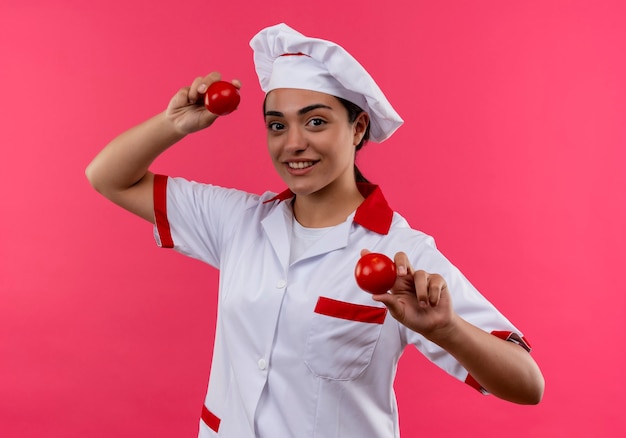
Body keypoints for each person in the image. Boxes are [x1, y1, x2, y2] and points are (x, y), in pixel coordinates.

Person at [86, 23, 544, 438]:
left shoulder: (401, 253)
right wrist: (176, 124)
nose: (293, 143)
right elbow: (107, 176)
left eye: (316, 121)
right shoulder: (239, 222)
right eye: (276, 125)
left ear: (358, 127)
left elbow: (528, 384)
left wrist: (447, 330)